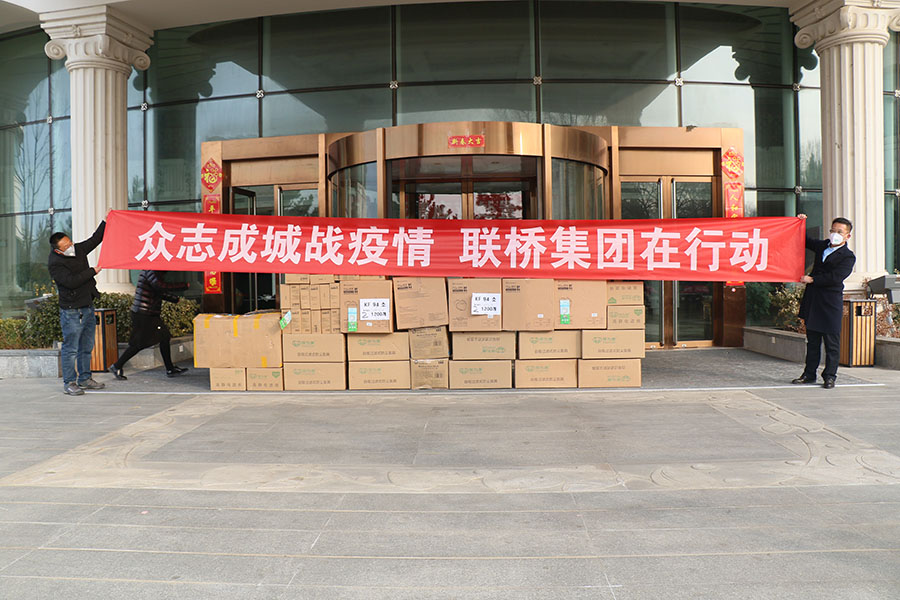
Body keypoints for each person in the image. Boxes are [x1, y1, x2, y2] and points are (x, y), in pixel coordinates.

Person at [792, 215, 856, 389]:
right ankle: (809, 374)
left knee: (831, 344)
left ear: (847, 236)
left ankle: (829, 376)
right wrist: (800, 222)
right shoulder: (823, 246)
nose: (835, 234)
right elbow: (804, 240)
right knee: (812, 342)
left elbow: (836, 277)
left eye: (839, 232)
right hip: (813, 300)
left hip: (830, 303)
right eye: (833, 230)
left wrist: (813, 279)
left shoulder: (848, 257)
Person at [48, 221, 107, 396]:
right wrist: (92, 271)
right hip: (71, 310)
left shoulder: (78, 249)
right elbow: (71, 282)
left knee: (87, 346)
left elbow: (95, 239)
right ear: (58, 250)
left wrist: (106, 221)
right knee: (71, 348)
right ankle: (70, 382)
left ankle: (85, 379)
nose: (70, 247)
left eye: (70, 242)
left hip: (87, 305)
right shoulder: (55, 263)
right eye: (66, 246)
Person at [108, 270, 190, 380]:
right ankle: (117, 366)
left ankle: (170, 369)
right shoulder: (151, 270)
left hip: (148, 313)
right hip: (144, 314)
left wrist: (175, 299)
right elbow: (159, 286)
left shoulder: (153, 270)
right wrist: (182, 285)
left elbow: (157, 291)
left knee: (164, 337)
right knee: (138, 344)